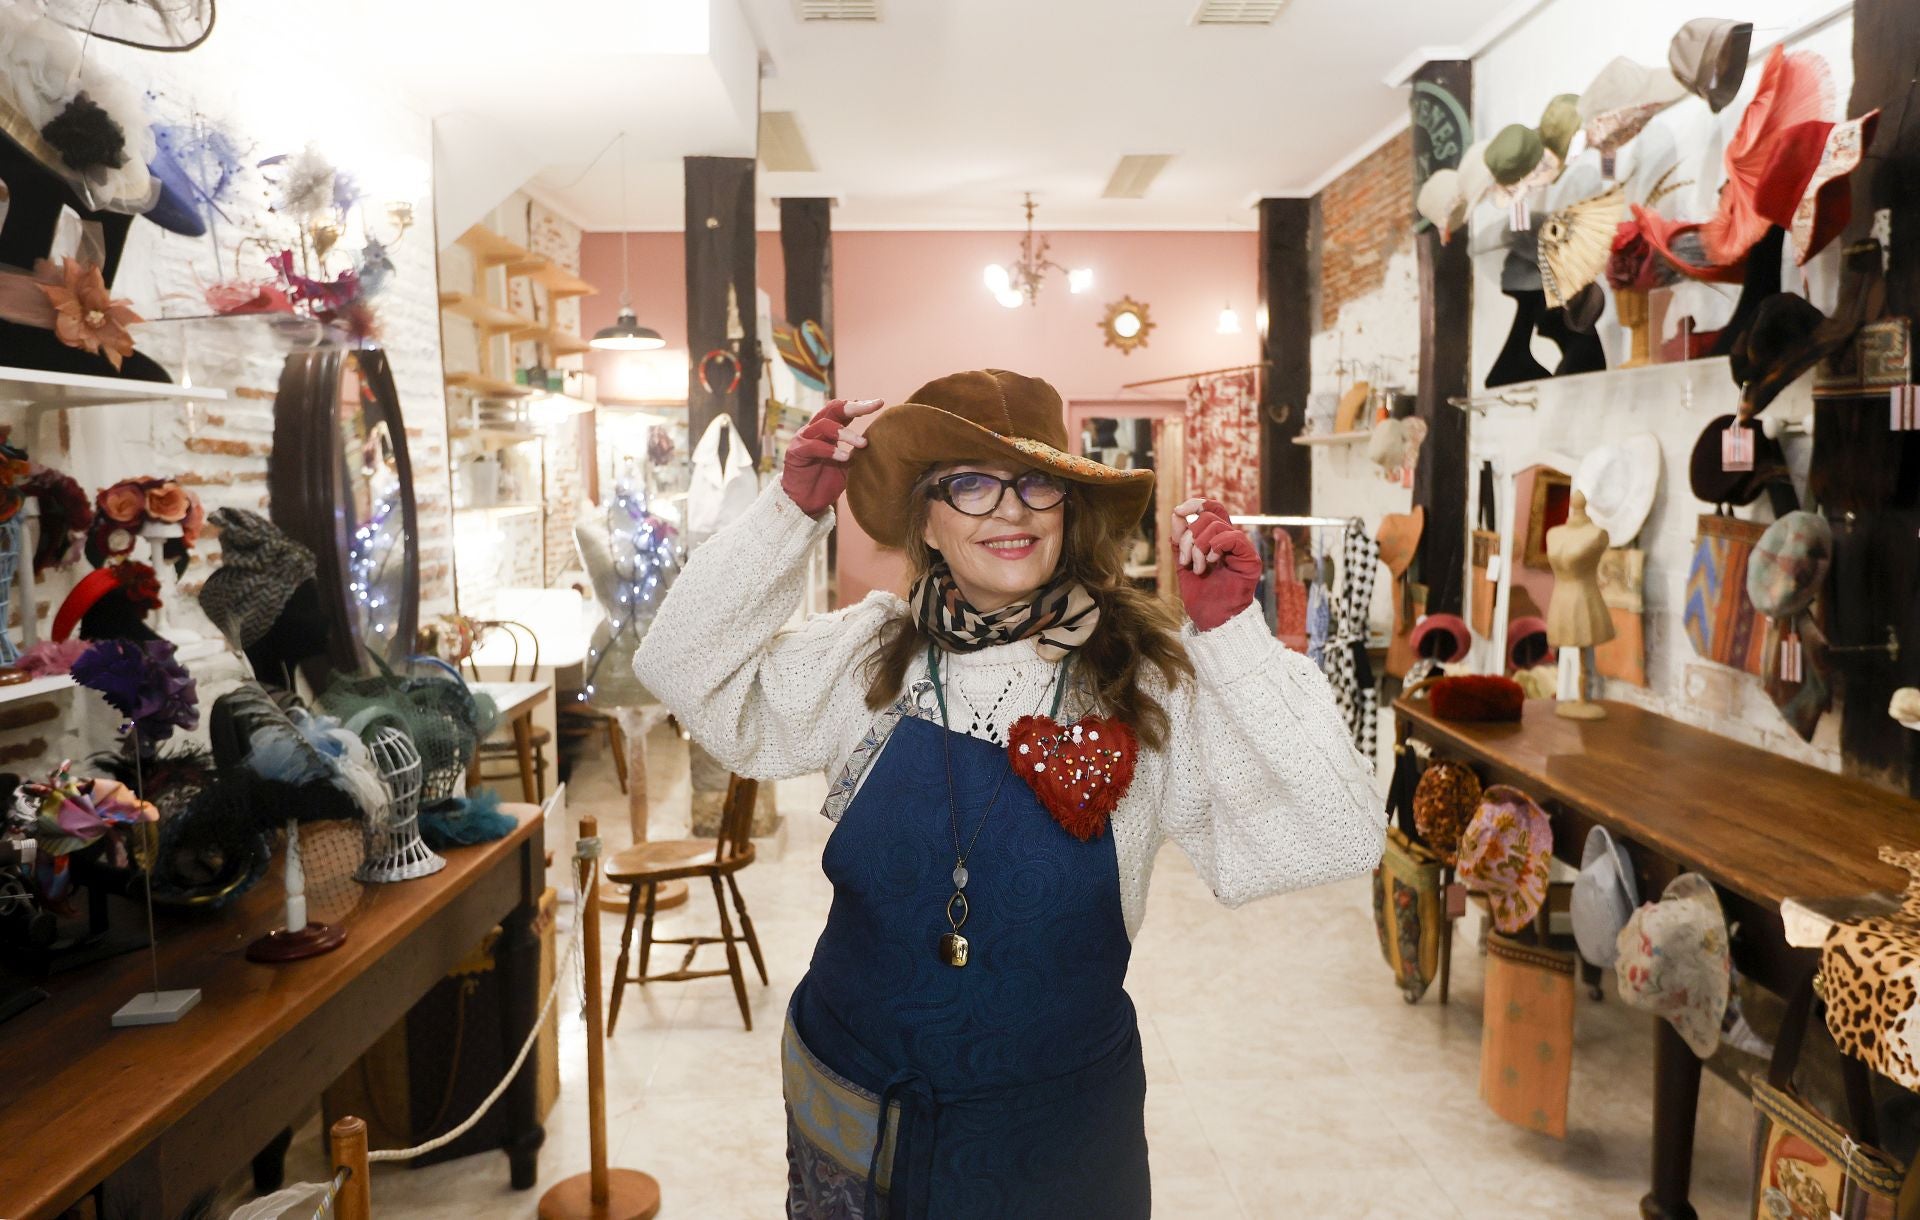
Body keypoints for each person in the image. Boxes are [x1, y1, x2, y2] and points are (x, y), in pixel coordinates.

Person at [634, 369, 1383, 1219]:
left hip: (1056, 1133)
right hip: (853, 1099)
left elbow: (1343, 832)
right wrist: (789, 514)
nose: (1011, 509)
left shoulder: (1146, 681)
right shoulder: (871, 654)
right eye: (971, 483)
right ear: (926, 517)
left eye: (1037, 483)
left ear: (1069, 510)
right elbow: (678, 668)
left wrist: (1229, 635)